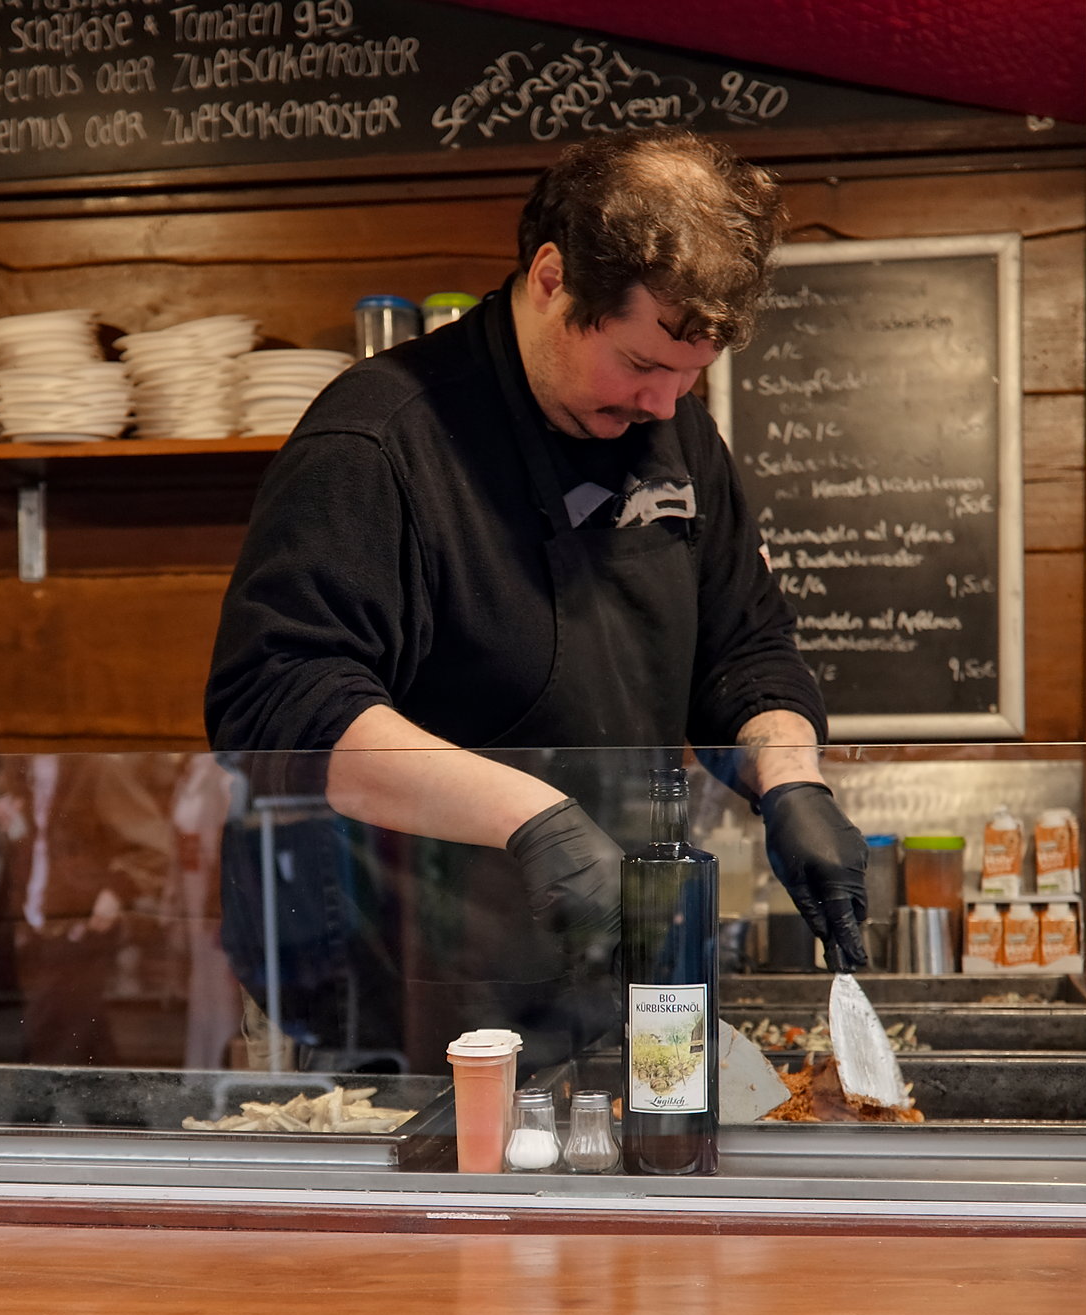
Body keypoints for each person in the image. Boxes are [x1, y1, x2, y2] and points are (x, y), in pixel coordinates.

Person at [205, 128, 871, 1067]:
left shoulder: (677, 437)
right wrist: (532, 819)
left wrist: (788, 779)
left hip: (611, 965)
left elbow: (742, 646)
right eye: (642, 365)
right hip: (400, 1000)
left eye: (691, 376)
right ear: (554, 277)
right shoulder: (378, 443)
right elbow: (280, 710)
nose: (665, 405)